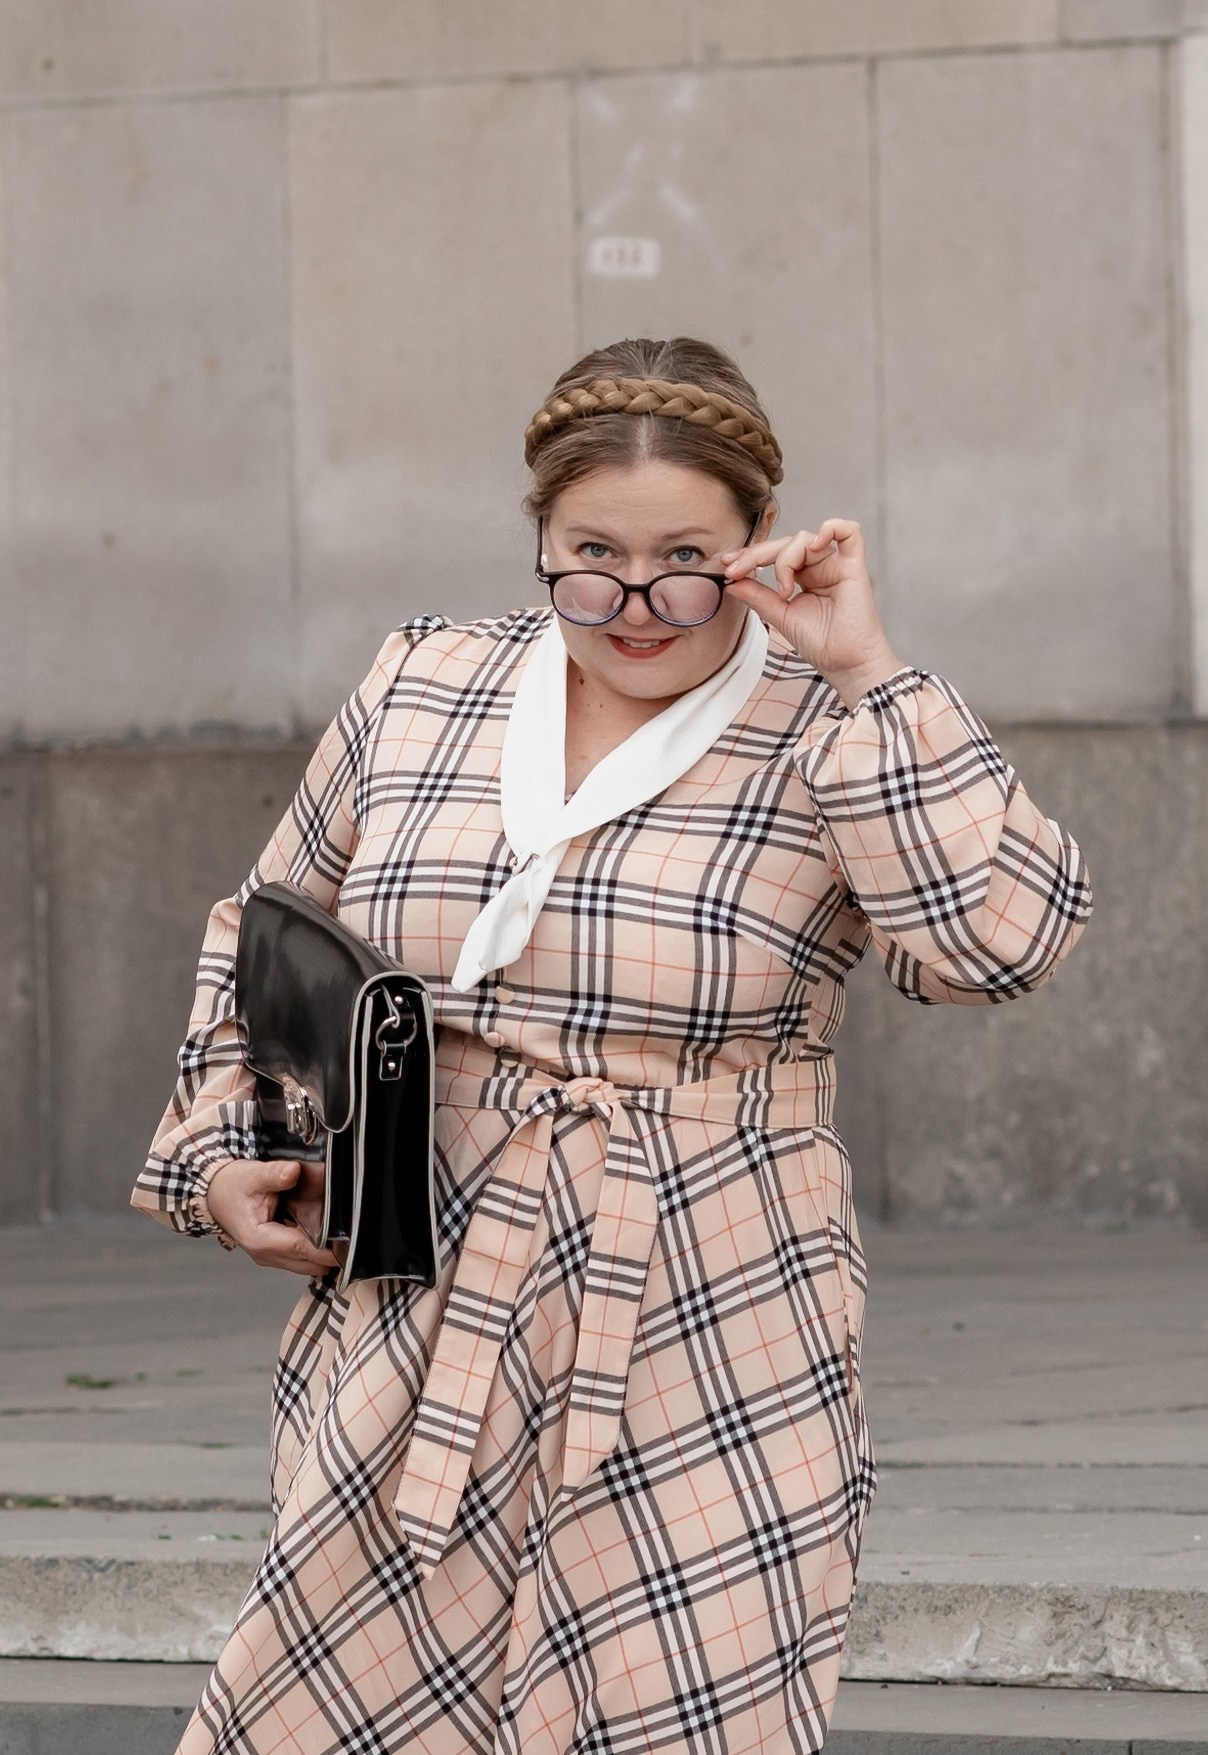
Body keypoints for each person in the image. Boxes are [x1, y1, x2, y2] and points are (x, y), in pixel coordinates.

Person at [134, 337, 1091, 1755]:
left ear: (761, 540)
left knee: (671, 1709)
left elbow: (995, 948)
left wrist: (870, 674)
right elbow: (263, 930)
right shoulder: (427, 679)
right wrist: (226, 1150)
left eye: (685, 561)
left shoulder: (828, 720)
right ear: (540, 536)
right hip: (422, 1287)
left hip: (715, 1304)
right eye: (592, 558)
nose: (635, 606)